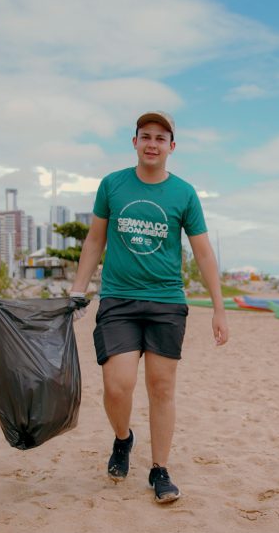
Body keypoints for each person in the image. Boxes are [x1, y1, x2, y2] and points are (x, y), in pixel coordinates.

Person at [70, 111, 228, 503]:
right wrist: (78, 291)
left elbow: (203, 253)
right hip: (118, 300)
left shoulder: (184, 194)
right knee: (117, 384)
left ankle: (159, 469)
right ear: (135, 142)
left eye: (160, 138)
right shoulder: (113, 185)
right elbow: (93, 242)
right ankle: (123, 439)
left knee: (161, 388)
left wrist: (219, 308)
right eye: (146, 136)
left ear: (171, 147)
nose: (152, 143)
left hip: (166, 302)